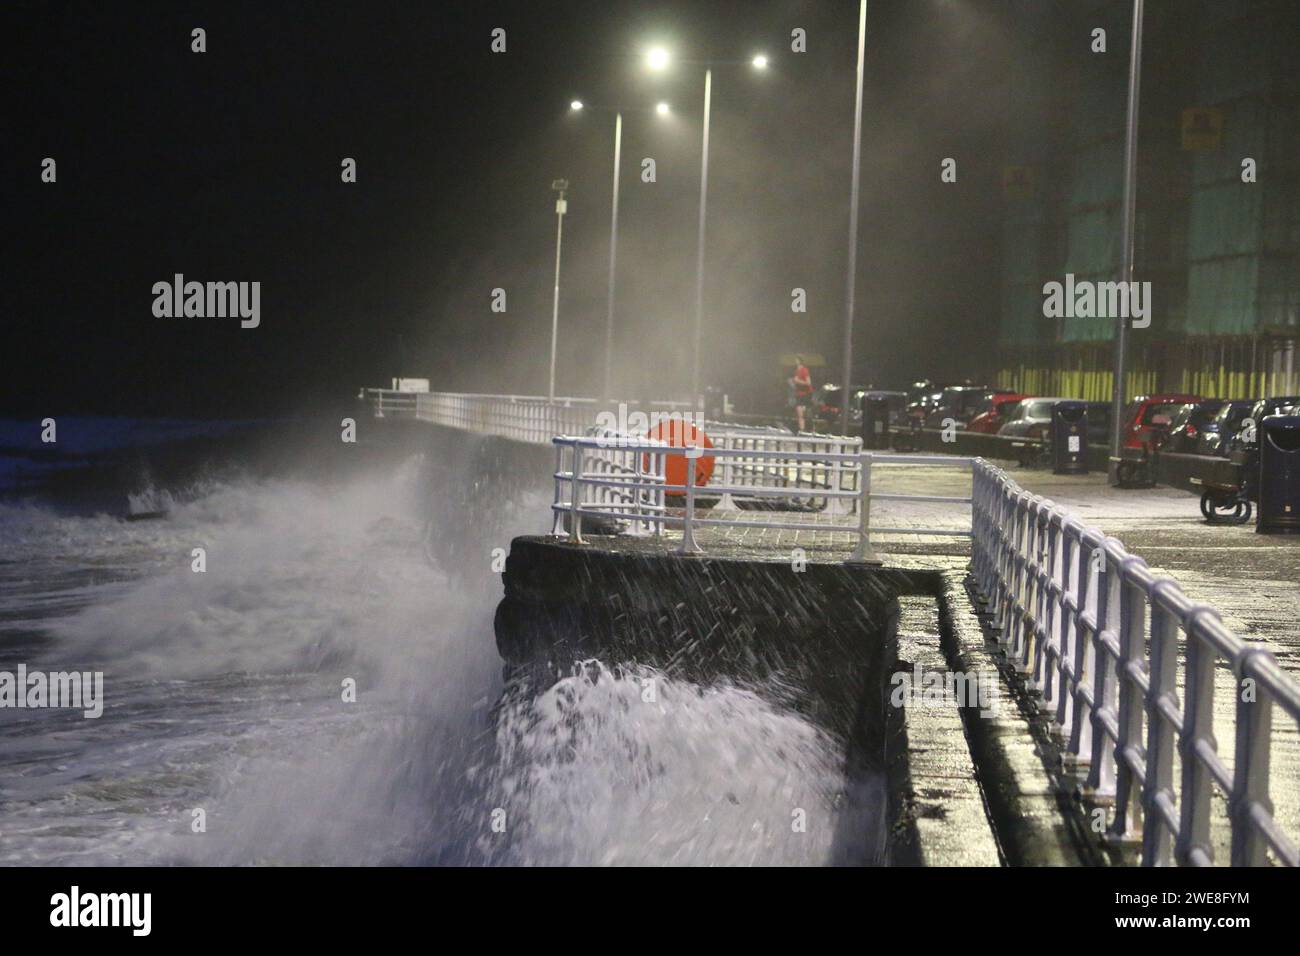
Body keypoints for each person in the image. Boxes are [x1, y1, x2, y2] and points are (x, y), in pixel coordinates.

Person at [791, 355, 813, 432]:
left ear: (799, 361)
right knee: (799, 412)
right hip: (799, 394)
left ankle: (806, 429)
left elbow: (808, 383)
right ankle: (802, 429)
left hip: (805, 394)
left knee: (803, 413)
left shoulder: (804, 370)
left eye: (796, 360)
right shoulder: (796, 371)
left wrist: (797, 381)